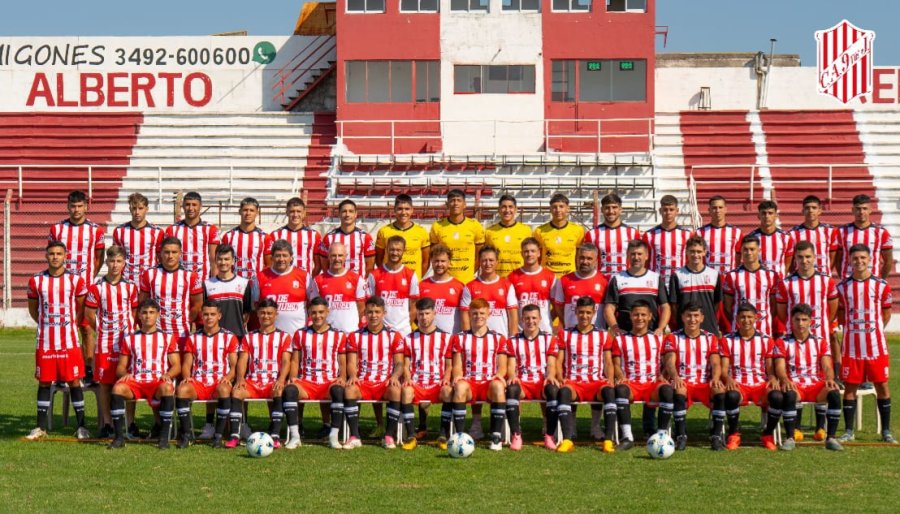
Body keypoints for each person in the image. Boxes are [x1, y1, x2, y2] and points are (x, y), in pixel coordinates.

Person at [26, 241, 90, 441]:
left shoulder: (75, 280)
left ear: (65, 255)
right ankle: (40, 427)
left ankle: (81, 427)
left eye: (59, 253)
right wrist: (47, 324)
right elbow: (33, 309)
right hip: (45, 340)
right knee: (44, 382)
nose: (55, 257)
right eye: (51, 253)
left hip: (69, 341)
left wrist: (68, 324)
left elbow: (80, 308)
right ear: (46, 256)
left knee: (73, 381)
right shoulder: (36, 280)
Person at [835, 244, 895, 444]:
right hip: (851, 346)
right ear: (850, 262)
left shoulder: (881, 285)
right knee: (850, 387)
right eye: (855, 259)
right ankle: (849, 431)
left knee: (882, 386)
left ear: (870, 260)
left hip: (876, 346)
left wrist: (873, 329)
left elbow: (886, 314)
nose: (859, 262)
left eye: (863, 258)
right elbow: (841, 314)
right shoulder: (842, 287)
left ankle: (886, 431)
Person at [107, 299, 181, 449]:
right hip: (137, 382)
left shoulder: (167, 337)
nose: (148, 316)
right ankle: (119, 438)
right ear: (139, 315)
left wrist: (169, 374)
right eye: (145, 312)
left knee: (167, 388)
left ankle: (164, 438)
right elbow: (120, 366)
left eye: (152, 312)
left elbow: (177, 365)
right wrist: (125, 373)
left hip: (157, 381)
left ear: (158, 315)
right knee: (117, 388)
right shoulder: (129, 338)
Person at [49, 190, 105, 384]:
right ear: (68, 206)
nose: (76, 210)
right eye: (73, 206)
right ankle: (63, 370)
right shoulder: (57, 229)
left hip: (86, 288)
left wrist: (86, 279)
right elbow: (52, 255)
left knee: (87, 327)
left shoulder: (96, 230)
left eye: (80, 206)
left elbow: (99, 258)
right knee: (62, 327)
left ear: (86, 207)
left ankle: (88, 368)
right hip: (63, 288)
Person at [84, 245, 139, 438]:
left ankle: (130, 423)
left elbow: (134, 313)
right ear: (106, 262)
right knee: (105, 385)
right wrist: (103, 328)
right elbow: (89, 314)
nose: (115, 265)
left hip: (127, 344)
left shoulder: (131, 287)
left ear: (124, 263)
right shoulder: (96, 287)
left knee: (129, 382)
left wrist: (126, 329)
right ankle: (107, 424)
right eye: (112, 261)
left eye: (119, 261)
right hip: (105, 343)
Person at [551, 297, 617, 453]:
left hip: (595, 382)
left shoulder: (603, 334)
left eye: (588, 312)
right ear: (575, 312)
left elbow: (608, 362)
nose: (584, 316)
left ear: (594, 312)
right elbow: (559, 361)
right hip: (574, 382)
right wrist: (560, 377)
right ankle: (567, 438)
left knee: (609, 392)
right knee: (564, 392)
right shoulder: (565, 334)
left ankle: (606, 439)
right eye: (581, 312)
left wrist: (610, 381)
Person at [343, 296, 410, 450]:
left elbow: (400, 363)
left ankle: (388, 435)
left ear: (384, 313)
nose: (373, 315)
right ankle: (354, 436)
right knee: (350, 389)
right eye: (370, 312)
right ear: (365, 313)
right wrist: (353, 376)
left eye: (377, 312)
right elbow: (351, 363)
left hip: (384, 382)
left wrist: (394, 376)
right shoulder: (355, 336)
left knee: (395, 390)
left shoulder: (394, 335)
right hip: (364, 382)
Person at [224, 298, 293, 449]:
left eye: (269, 313)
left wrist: (281, 379)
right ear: (258, 315)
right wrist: (240, 378)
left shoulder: (284, 337)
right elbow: (242, 360)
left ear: (276, 315)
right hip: (253, 381)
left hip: (272, 381)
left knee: (279, 390)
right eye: (262, 313)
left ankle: (275, 436)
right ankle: (235, 435)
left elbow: (286, 361)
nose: (266, 316)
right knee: (237, 391)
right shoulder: (249, 336)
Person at [774, 304, 843, 451]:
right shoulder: (782, 342)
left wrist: (830, 379)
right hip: (795, 384)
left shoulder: (820, 341)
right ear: (791, 321)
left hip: (815, 385)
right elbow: (779, 367)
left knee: (834, 393)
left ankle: (831, 438)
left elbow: (827, 366)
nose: (800, 324)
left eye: (804, 320)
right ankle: (790, 437)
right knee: (789, 394)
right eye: (797, 320)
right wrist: (785, 380)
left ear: (810, 321)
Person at [284, 297, 348, 450]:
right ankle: (295, 436)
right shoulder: (300, 334)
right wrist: (293, 377)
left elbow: (343, 361)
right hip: (307, 383)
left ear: (327, 312)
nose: (317, 316)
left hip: (329, 382)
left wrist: (343, 377)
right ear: (309, 313)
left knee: (339, 390)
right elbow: (295, 360)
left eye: (321, 312)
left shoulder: (339, 335)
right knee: (290, 390)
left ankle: (333, 436)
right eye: (314, 313)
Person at [660, 302, 726, 450]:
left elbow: (716, 363)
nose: (692, 319)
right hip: (684, 381)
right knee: (679, 389)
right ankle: (681, 435)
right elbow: (669, 361)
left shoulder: (711, 338)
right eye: (688, 316)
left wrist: (715, 378)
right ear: (682, 317)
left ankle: (716, 436)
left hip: (704, 383)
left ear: (702, 318)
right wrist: (676, 377)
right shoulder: (672, 337)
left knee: (719, 391)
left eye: (696, 316)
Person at [175, 300, 239, 449]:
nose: (209, 317)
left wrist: (228, 378)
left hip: (218, 382)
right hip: (199, 382)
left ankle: (218, 435)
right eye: (206, 314)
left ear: (219, 316)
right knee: (182, 390)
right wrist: (186, 378)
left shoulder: (229, 337)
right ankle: (187, 435)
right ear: (201, 317)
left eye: (212, 314)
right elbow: (186, 364)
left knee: (224, 389)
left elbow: (234, 366)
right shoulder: (193, 338)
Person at [449, 298, 511, 451]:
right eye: (475, 313)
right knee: (460, 386)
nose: (478, 316)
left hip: (488, 383)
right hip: (470, 383)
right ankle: (460, 436)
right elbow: (457, 366)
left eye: (482, 313)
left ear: (488, 314)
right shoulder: (460, 338)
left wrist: (499, 376)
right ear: (469, 315)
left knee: (498, 385)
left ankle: (496, 436)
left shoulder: (498, 338)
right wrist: (457, 376)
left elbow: (502, 367)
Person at [718, 303, 781, 451]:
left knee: (777, 397)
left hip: (760, 384)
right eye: (742, 317)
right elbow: (724, 369)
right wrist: (728, 379)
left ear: (756, 318)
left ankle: (767, 434)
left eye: (749, 317)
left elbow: (770, 368)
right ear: (737, 319)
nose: (746, 320)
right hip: (739, 384)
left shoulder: (766, 340)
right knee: (732, 396)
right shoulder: (727, 340)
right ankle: (734, 434)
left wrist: (772, 378)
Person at [611, 301, 668, 449]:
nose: (639, 318)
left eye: (643, 315)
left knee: (667, 390)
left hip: (652, 383)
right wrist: (620, 376)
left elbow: (667, 362)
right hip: (632, 384)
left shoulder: (659, 338)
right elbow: (616, 364)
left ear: (650, 317)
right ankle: (627, 437)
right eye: (636, 314)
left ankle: (661, 436)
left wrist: (663, 375)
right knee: (621, 390)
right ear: (630, 316)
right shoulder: (620, 339)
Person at [402, 298, 454, 449]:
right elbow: (406, 364)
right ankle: (411, 436)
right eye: (420, 314)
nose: (424, 318)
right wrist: (407, 378)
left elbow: (449, 365)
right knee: (406, 391)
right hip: (417, 383)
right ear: (416, 315)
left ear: (434, 313)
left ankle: (443, 435)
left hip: (437, 383)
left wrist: (445, 378)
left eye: (427, 313)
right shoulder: (409, 338)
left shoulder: (446, 337)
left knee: (448, 391)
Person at [505, 304, 558, 451]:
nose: (531, 321)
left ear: (540, 319)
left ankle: (549, 435)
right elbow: (511, 366)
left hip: (541, 383)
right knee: (511, 389)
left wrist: (551, 376)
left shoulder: (549, 339)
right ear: (522, 320)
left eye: (534, 318)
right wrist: (512, 376)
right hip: (523, 384)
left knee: (553, 389)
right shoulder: (513, 340)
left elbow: (552, 364)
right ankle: (516, 435)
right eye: (527, 318)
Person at [139, 237, 203, 347]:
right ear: (161, 253)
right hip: (157, 332)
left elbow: (197, 305)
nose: (170, 256)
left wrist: (186, 320)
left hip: (181, 332)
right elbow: (142, 302)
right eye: (167, 252)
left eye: (174, 252)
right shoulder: (149, 274)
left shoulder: (191, 276)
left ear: (180, 254)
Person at [775, 240, 838, 346]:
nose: (804, 261)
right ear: (795, 258)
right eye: (800, 257)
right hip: (794, 337)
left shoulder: (827, 281)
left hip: (820, 335)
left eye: (808, 257)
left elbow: (833, 309)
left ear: (814, 257)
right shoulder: (785, 283)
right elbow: (782, 314)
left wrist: (823, 323)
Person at [603, 239, 670, 335]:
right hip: (625, 335)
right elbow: (609, 308)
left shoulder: (655, 278)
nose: (636, 257)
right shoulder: (618, 279)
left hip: (651, 334)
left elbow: (665, 307)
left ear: (646, 256)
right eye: (633, 254)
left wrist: (660, 328)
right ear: (627, 256)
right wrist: (615, 328)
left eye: (639, 254)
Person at [722, 234, 780, 337]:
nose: (749, 253)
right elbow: (727, 307)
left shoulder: (771, 275)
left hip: (764, 330)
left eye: (752, 249)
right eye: (745, 249)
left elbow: (774, 307)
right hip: (738, 331)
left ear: (759, 250)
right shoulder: (732, 276)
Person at [257, 240, 315, 335]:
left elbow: (313, 304)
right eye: (278, 255)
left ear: (291, 257)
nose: (281, 259)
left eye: (284, 255)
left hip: (298, 336)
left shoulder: (303, 276)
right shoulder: (261, 277)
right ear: (272, 257)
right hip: (271, 337)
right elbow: (255, 306)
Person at [668, 236, 722, 335]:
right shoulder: (677, 275)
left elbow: (717, 303)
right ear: (686, 252)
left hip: (708, 326)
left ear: (704, 252)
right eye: (692, 251)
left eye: (699, 251)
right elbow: (674, 306)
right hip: (685, 328)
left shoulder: (714, 274)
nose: (695, 255)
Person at [367, 235, 420, 336]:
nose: (395, 253)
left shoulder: (410, 275)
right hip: (380, 331)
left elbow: (414, 306)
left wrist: (406, 325)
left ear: (404, 250)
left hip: (403, 331)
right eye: (392, 249)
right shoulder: (374, 275)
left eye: (398, 250)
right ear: (386, 250)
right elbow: (369, 304)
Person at [429, 189, 485, 284]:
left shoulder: (475, 226)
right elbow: (434, 255)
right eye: (452, 200)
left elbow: (479, 256)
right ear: (447, 204)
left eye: (459, 200)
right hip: (444, 280)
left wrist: (469, 272)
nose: (455, 203)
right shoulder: (437, 226)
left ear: (464, 205)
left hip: (467, 281)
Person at [461, 246, 518, 337]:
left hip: (501, 341)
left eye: (491, 260)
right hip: (477, 341)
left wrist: (513, 339)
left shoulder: (507, 285)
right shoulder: (470, 286)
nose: (488, 264)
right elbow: (465, 316)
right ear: (479, 262)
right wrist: (467, 339)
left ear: (497, 262)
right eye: (484, 260)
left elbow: (513, 317)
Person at [835, 194, 894, 279]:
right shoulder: (841, 231)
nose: (861, 212)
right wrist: (843, 278)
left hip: (873, 281)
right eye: (858, 209)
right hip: (848, 281)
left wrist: (881, 280)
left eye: (865, 208)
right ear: (853, 210)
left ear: (870, 210)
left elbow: (888, 261)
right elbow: (838, 260)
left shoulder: (882, 232)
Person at [312, 242, 368, 333]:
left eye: (340, 255)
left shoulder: (357, 279)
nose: (337, 259)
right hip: (327, 334)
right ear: (328, 256)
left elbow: (361, 309)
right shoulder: (318, 280)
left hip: (350, 332)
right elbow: (315, 309)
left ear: (346, 256)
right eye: (333, 255)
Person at [552, 242, 608, 330]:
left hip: (597, 333)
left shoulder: (605, 280)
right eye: (582, 258)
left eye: (589, 258)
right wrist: (567, 324)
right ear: (577, 258)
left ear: (596, 261)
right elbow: (558, 307)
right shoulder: (564, 280)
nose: (585, 262)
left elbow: (609, 308)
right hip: (571, 333)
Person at [508, 237, 559, 334]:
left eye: (533, 251)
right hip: (521, 333)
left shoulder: (550, 276)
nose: (529, 254)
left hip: (545, 332)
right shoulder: (512, 277)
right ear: (521, 254)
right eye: (526, 251)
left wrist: (546, 320)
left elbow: (557, 306)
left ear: (539, 253)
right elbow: (509, 309)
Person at [584, 193, 641, 278]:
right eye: (607, 208)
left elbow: (640, 259)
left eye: (614, 207)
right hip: (601, 281)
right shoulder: (592, 234)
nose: (611, 211)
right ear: (602, 210)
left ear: (620, 209)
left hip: (626, 280)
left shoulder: (633, 233)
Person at [642, 195, 692, 291]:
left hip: (680, 283)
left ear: (677, 211)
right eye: (665, 210)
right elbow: (645, 261)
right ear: (660, 211)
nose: (668, 213)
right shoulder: (649, 235)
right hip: (656, 283)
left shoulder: (687, 235)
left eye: (671, 209)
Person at [164, 191, 219, 278]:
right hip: (179, 280)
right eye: (187, 204)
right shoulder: (172, 229)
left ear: (201, 206)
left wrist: (214, 283)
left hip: (202, 280)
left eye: (194, 205)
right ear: (183, 206)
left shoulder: (210, 229)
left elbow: (214, 260)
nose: (190, 208)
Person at [375, 194, 431, 279]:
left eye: (407, 209)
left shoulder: (421, 231)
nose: (403, 212)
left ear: (412, 210)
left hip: (413, 281)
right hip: (390, 279)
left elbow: (426, 261)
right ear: (394, 210)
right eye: (400, 209)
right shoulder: (384, 231)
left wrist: (417, 278)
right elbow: (379, 259)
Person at [112, 192, 164, 284]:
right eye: (134, 208)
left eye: (140, 208)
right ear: (130, 209)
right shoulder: (119, 231)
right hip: (126, 280)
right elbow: (116, 257)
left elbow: (161, 258)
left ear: (146, 209)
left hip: (149, 281)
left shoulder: (157, 232)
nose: (137, 212)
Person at [317, 199, 375, 278]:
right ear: (339, 214)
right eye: (344, 211)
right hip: (335, 283)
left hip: (357, 285)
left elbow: (370, 266)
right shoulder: (329, 238)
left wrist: (362, 282)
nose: (347, 214)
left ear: (355, 214)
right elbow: (324, 265)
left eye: (351, 211)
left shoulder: (365, 237)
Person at [203, 244, 252, 338]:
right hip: (214, 338)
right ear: (215, 261)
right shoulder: (207, 284)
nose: (223, 262)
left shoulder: (244, 283)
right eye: (220, 259)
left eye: (226, 259)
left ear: (233, 261)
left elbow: (246, 313)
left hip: (237, 336)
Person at [264, 197, 321, 275]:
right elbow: (270, 263)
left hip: (305, 283)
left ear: (304, 213)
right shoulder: (275, 235)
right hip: (282, 280)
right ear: (287, 212)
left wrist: (310, 280)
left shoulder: (314, 235)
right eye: (292, 211)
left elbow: (318, 265)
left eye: (298, 211)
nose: (295, 215)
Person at [533, 193, 585, 277]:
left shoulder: (578, 230)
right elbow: (537, 258)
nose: (558, 210)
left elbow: (579, 256)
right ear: (550, 209)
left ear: (568, 208)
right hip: (547, 277)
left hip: (569, 277)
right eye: (554, 207)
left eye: (561, 206)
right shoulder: (539, 231)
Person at [418, 244, 464, 334]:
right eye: (436, 261)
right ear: (431, 261)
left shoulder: (459, 286)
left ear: (449, 262)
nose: (439, 264)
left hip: (452, 340)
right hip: (428, 339)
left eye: (443, 261)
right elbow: (415, 312)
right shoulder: (421, 285)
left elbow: (466, 315)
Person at [485, 195, 532, 277]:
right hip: (497, 279)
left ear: (516, 209)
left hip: (520, 277)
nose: (507, 210)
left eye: (510, 207)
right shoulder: (489, 232)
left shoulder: (526, 230)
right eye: (504, 207)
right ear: (499, 210)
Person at [790, 195, 838, 275]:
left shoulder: (830, 231)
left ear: (820, 210)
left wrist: (826, 272)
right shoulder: (793, 233)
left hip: (823, 276)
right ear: (803, 211)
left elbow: (833, 257)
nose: (810, 210)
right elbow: (790, 259)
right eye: (807, 208)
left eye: (814, 208)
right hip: (800, 277)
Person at [220, 197, 266, 280]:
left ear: (257, 213)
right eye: (245, 210)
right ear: (240, 212)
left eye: (252, 210)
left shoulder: (264, 237)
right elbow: (222, 261)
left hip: (256, 283)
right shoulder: (228, 236)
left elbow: (269, 264)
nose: (248, 213)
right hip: (234, 282)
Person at [695, 195, 743, 275]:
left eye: (720, 207)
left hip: (729, 279)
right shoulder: (700, 232)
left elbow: (738, 256)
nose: (717, 210)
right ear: (709, 210)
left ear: (725, 210)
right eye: (714, 208)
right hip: (707, 278)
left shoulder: (737, 232)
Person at [748, 200, 795, 279]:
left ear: (776, 215)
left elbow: (788, 262)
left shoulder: (786, 237)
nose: (767, 216)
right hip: (758, 281)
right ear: (758, 216)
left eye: (770, 213)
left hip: (778, 282)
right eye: (764, 213)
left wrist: (782, 275)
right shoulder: (752, 237)